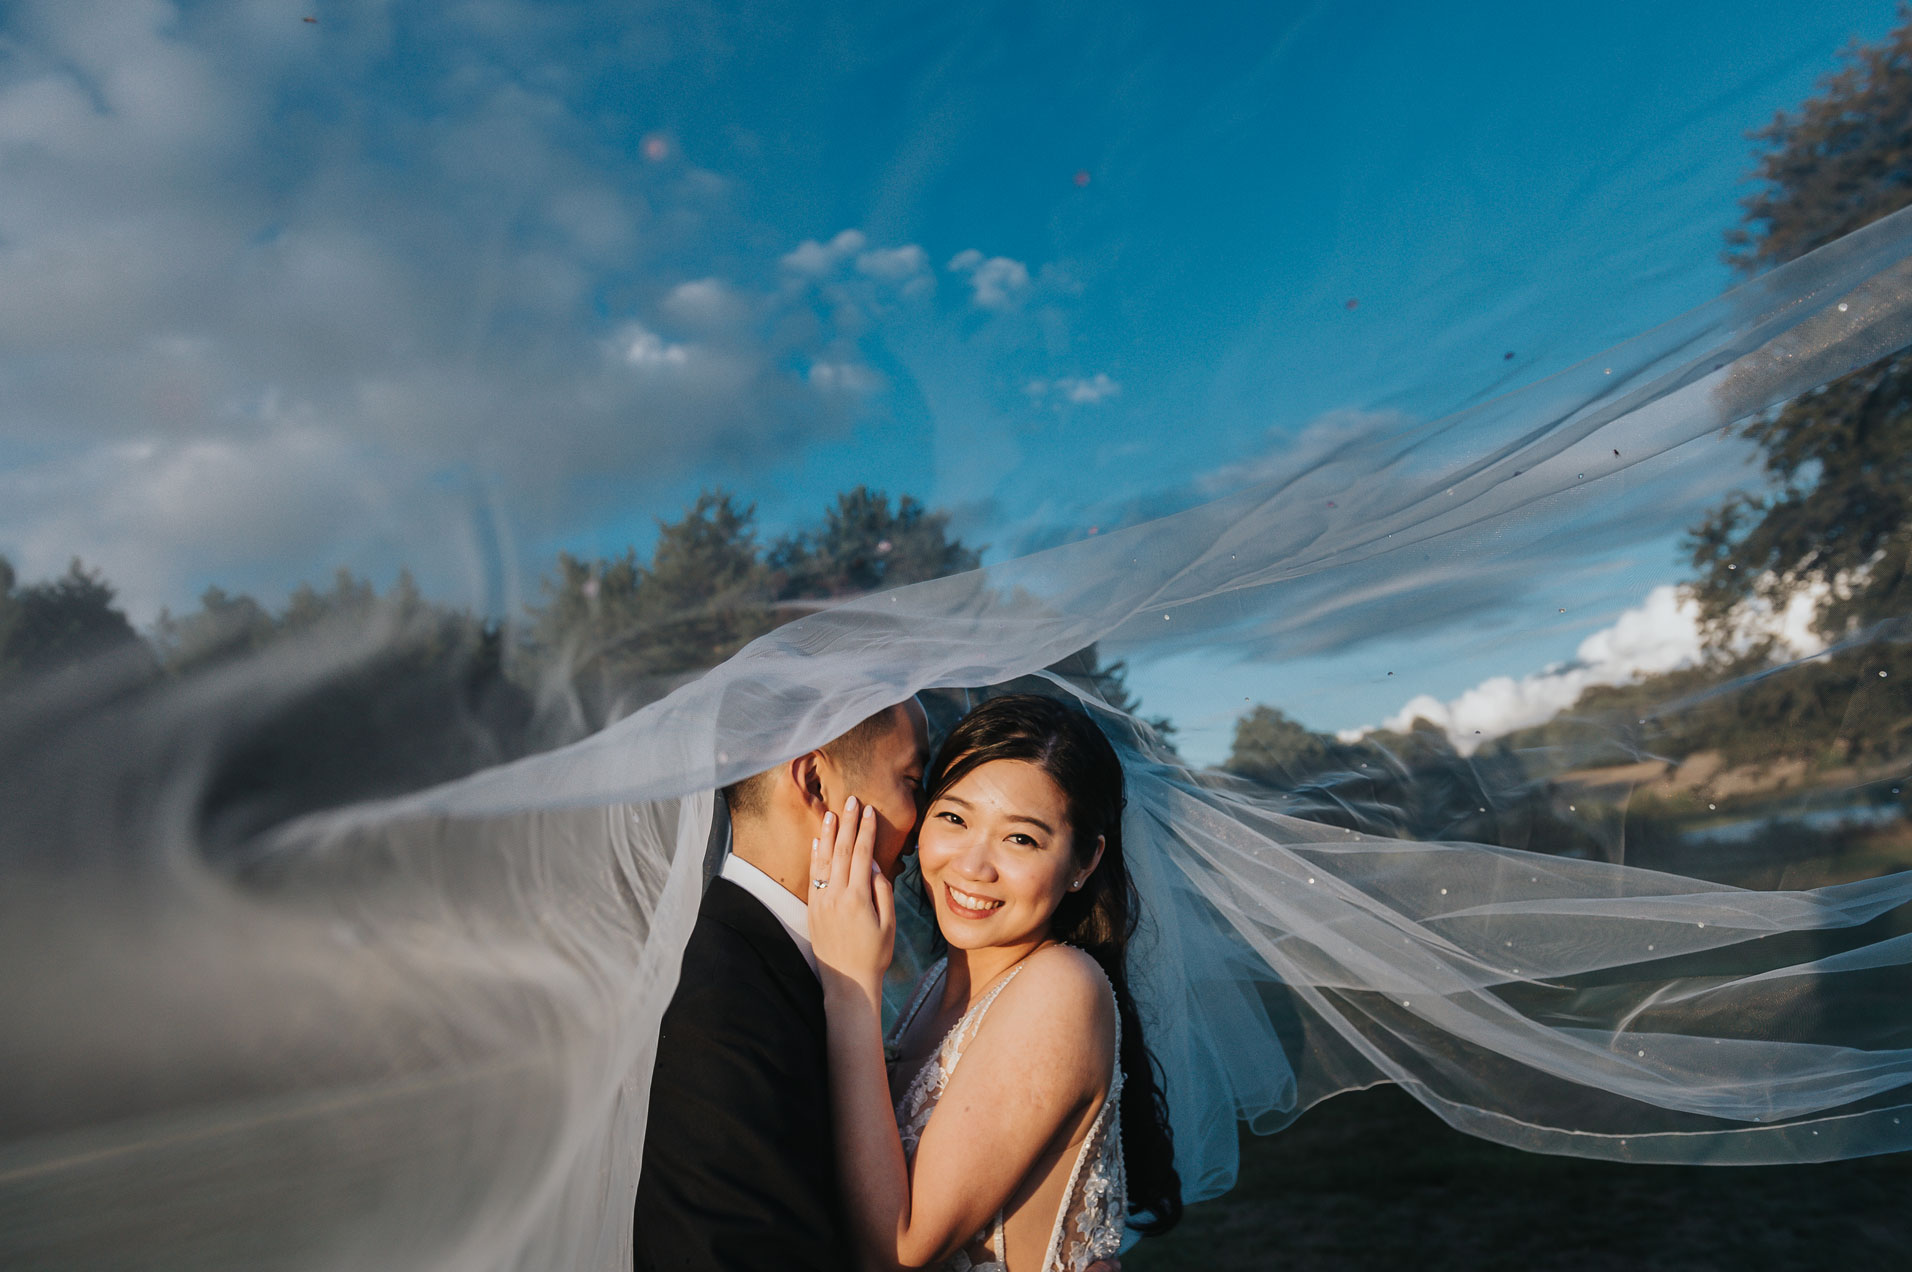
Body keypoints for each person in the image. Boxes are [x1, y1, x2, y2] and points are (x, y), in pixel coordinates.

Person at [808, 693, 1182, 1272]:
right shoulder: (936, 984)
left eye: (1021, 839)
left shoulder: (1061, 988)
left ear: (1084, 863)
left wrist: (849, 985)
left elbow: (895, 1251)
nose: (974, 867)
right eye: (954, 818)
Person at [632, 699, 930, 1271]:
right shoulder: (719, 1003)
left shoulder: (765, 963)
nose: (918, 828)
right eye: (911, 782)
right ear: (815, 780)